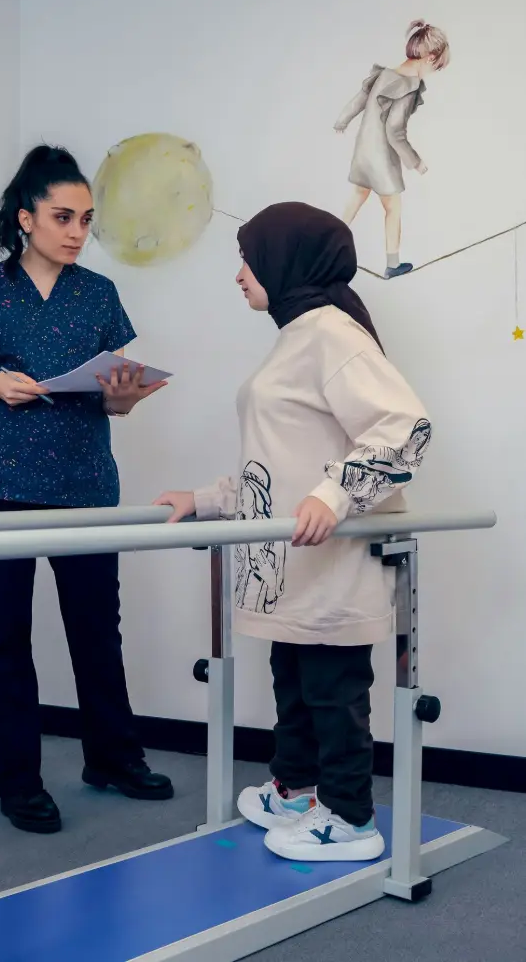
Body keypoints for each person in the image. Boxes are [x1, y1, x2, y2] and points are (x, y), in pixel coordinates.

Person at [155, 202, 431, 863]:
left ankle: (350, 817)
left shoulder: (332, 334)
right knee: (294, 682)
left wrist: (335, 493)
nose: (240, 274)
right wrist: (205, 498)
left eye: (248, 256)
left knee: (334, 691)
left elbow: (406, 429)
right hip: (290, 564)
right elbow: (274, 464)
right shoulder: (297, 335)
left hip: (331, 559)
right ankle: (298, 791)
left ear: (285, 258)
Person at [0, 144, 173, 834]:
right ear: (25, 217)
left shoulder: (99, 294)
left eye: (86, 219)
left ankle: (113, 757)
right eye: (63, 216)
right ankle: (19, 781)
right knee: (5, 634)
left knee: (96, 629)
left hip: (84, 482)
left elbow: (117, 400)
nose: (76, 231)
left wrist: (127, 394)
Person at [335, 19, 450, 279]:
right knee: (393, 208)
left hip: (363, 150)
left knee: (356, 198)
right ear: (430, 57)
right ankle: (392, 264)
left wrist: (341, 121)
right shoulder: (408, 87)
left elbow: (359, 100)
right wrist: (416, 161)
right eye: (437, 66)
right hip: (382, 157)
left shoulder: (384, 74)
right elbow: (395, 132)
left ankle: (324, 242)